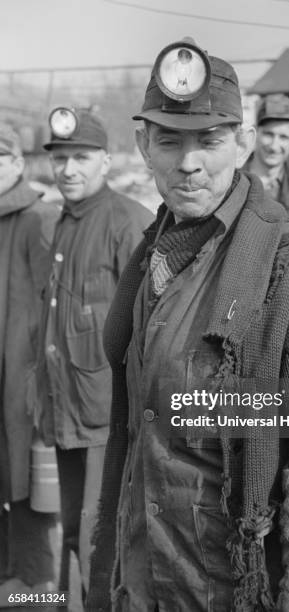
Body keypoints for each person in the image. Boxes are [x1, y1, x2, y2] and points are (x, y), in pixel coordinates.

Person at [87, 41, 289, 612]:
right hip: (141, 583)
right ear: (141, 146)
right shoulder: (150, 259)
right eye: (169, 140)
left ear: (243, 145)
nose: (188, 162)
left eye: (209, 141)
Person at [36, 108, 153, 601]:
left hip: (109, 421)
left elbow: (152, 329)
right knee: (70, 537)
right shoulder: (63, 221)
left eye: (81, 157)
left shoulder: (129, 223)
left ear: (106, 160)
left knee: (99, 541)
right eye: (60, 158)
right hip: (67, 415)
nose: (68, 169)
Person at [0, 125, 59, 604]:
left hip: (23, 380)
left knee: (29, 484)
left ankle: (40, 590)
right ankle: (10, 580)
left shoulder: (38, 217)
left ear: (18, 163)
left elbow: (51, 306)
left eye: (0, 157)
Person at [243, 93, 289, 217]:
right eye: (268, 134)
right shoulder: (230, 179)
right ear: (255, 133)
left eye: (283, 137)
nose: (274, 146)